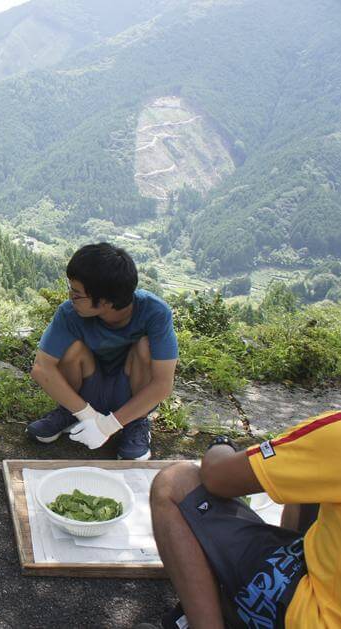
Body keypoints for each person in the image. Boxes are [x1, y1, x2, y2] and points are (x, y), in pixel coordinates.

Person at [148, 411, 340, 628]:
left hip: (314, 617)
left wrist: (221, 443)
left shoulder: (335, 433)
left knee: (175, 481)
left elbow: (217, 476)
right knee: (305, 479)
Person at [26, 243, 178, 460]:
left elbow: (163, 383)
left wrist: (107, 426)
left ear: (106, 301)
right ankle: (71, 412)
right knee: (72, 348)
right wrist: (88, 416)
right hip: (88, 387)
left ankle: (135, 422)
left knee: (145, 347)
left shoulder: (154, 312)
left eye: (77, 294)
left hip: (129, 388)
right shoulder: (69, 314)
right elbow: (42, 368)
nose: (70, 297)